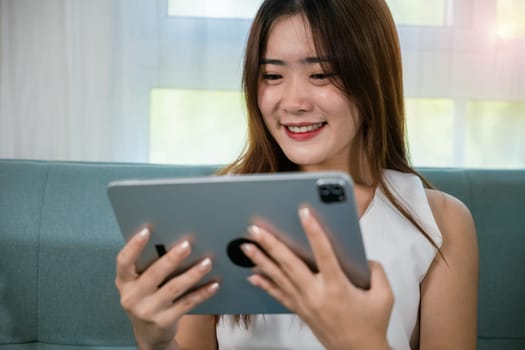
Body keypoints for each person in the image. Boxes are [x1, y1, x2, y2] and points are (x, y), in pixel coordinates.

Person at [115, 0, 479, 349]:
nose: (293, 102)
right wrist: (155, 341)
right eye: (272, 75)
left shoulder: (440, 221)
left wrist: (361, 342)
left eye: (320, 74)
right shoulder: (217, 206)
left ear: (373, 77)